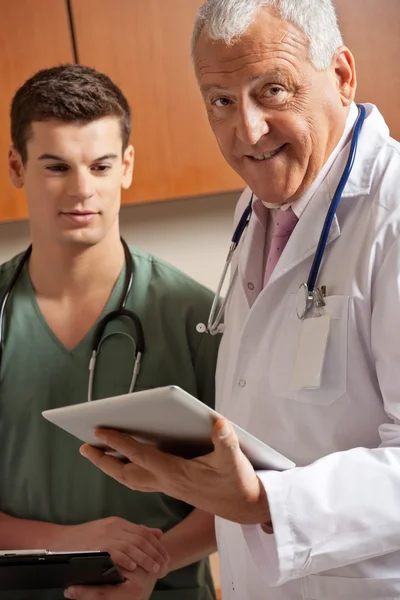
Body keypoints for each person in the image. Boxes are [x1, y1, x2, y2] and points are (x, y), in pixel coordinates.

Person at [76, 0, 400, 599]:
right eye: (220, 101)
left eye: (272, 90)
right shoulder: (259, 213)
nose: (246, 131)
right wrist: (190, 477)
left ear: (343, 74)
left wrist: (260, 501)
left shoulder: (391, 216)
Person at [0, 64, 220, 600]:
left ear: (126, 166)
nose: (81, 190)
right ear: (16, 168)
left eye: (99, 166)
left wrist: (151, 562)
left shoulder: (197, 316)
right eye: (56, 167)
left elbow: (246, 491)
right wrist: (70, 543)